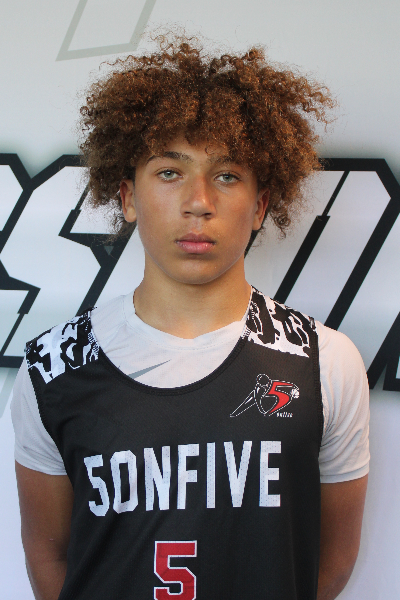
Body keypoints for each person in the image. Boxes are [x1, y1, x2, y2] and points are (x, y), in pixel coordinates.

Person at [11, 35, 369, 600]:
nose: (199, 201)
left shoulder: (324, 362)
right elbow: (49, 557)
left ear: (260, 205)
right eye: (169, 172)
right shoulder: (52, 369)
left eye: (227, 175)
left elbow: (330, 564)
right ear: (128, 198)